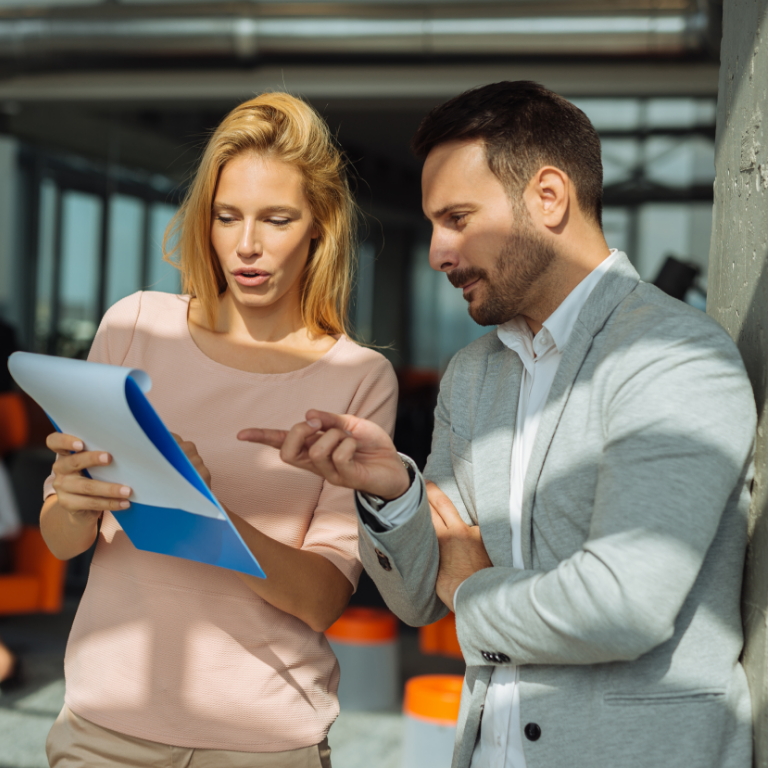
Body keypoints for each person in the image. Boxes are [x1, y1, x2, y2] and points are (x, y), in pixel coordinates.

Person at [242, 81, 757, 768]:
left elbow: (624, 605)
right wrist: (394, 490)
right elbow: (422, 599)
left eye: (457, 218)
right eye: (433, 224)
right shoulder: (474, 374)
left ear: (548, 197)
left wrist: (474, 588)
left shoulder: (672, 357)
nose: (437, 252)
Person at [39, 92, 397, 767]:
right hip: (104, 730)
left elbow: (322, 601)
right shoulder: (133, 325)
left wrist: (207, 514)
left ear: (320, 225)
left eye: (278, 219)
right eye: (226, 217)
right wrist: (73, 497)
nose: (247, 245)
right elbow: (62, 542)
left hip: (265, 744)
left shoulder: (360, 377)